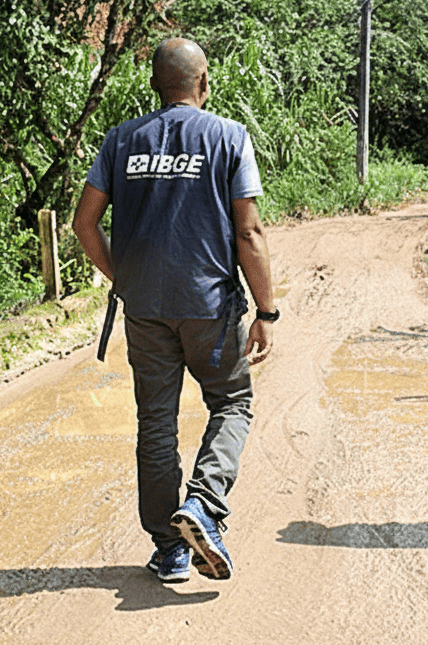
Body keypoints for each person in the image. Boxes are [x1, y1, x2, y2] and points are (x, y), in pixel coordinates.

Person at [73, 38, 278, 583]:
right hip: (208, 306)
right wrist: (267, 310)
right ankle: (204, 507)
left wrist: (125, 277)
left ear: (154, 86)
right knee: (232, 402)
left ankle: (170, 550)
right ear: (203, 81)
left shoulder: (121, 141)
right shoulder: (229, 137)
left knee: (156, 423)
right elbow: (249, 231)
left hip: (144, 309)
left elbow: (84, 224)